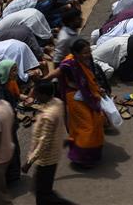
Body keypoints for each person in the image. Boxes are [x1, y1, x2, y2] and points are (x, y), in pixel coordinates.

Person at [43, 39, 105, 167]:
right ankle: (81, 158)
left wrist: (98, 88)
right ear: (76, 54)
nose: (88, 55)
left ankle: (93, 154)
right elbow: (53, 75)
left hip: (89, 95)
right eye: (84, 53)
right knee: (87, 127)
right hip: (75, 98)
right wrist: (40, 84)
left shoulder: (88, 60)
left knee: (97, 120)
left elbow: (91, 77)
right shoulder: (69, 64)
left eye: (89, 51)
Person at [22, 81, 73, 205]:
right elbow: (59, 120)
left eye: (37, 94)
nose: (35, 96)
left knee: (43, 194)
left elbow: (44, 143)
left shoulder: (48, 117)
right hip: (54, 153)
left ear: (44, 95)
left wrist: (29, 161)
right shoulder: (57, 102)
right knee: (43, 189)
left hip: (46, 159)